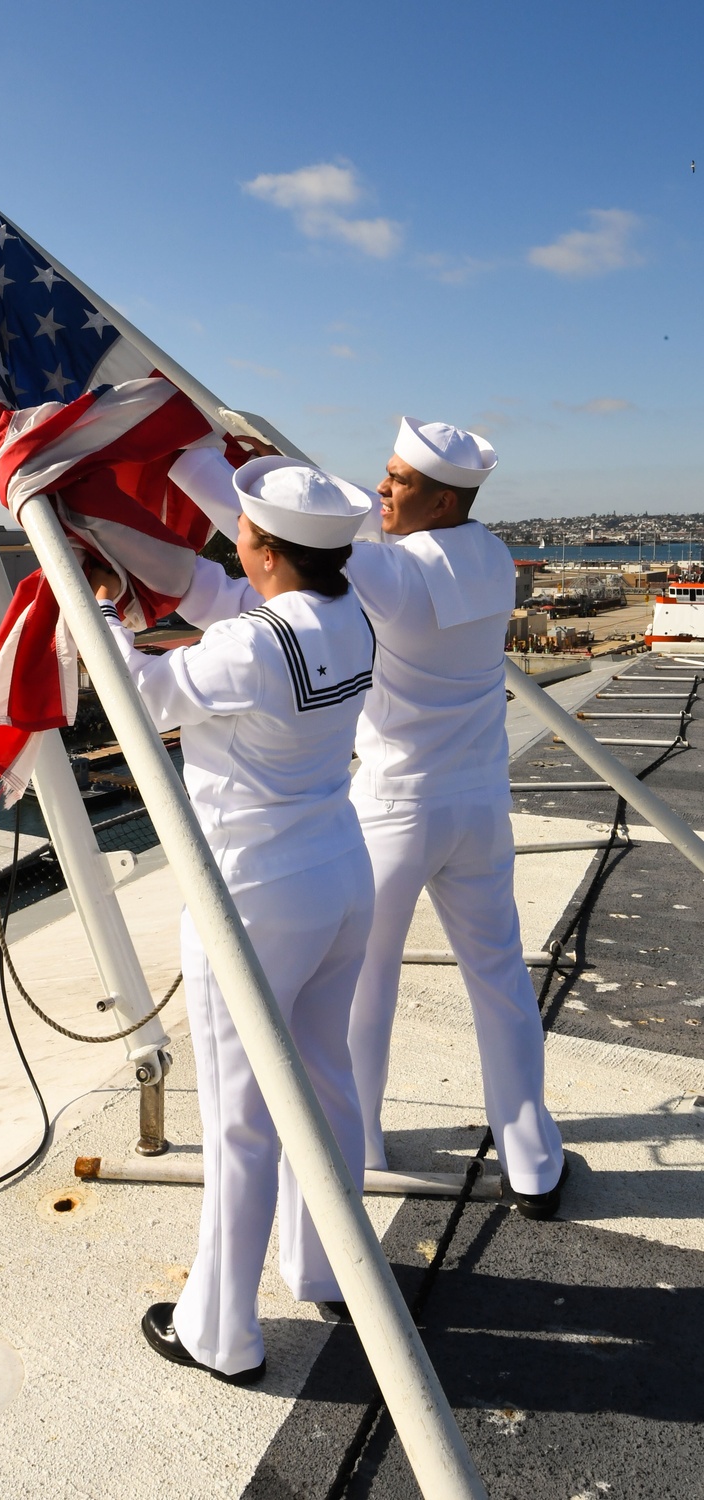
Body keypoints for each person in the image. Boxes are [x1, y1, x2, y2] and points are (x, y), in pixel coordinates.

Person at [165, 419, 566, 1220]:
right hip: (480, 801)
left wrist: (193, 455)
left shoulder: (387, 572)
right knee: (499, 977)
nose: (382, 489)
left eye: (398, 480)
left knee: (364, 985)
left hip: (396, 804)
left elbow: (264, 528)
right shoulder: (492, 558)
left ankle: (368, 1145)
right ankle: (532, 1159)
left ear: (443, 497)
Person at [91, 460, 376, 1383]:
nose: (235, 545)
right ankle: (327, 1265)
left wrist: (92, 612)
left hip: (257, 897)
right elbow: (242, 627)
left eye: (243, 536)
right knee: (327, 1084)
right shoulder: (352, 613)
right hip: (341, 871)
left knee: (240, 1119)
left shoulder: (253, 647)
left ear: (263, 548)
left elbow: (141, 696)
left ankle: (220, 1330)